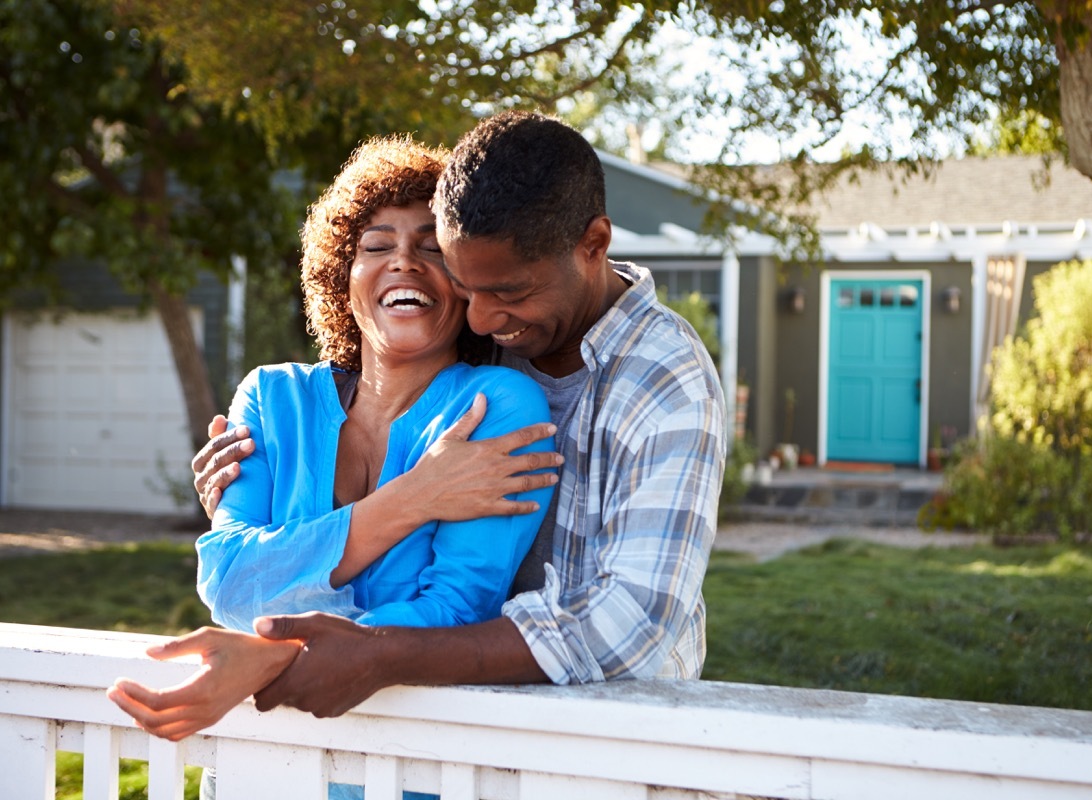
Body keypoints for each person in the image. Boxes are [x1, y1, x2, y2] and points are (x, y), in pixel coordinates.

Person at [159, 111, 726, 719]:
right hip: (440, 727)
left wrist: (342, 650)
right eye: (468, 285)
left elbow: (627, 624)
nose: (483, 319)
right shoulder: (287, 395)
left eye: (506, 292)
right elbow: (227, 576)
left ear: (594, 246)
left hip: (605, 736)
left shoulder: (661, 382)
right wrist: (416, 496)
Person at [106, 134, 558, 744]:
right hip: (261, 763)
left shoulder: (498, 407)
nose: (403, 261)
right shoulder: (273, 397)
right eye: (376, 246)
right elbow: (228, 583)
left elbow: (457, 611)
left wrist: (274, 652)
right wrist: (417, 497)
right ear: (341, 278)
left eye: (433, 249)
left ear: (466, 283)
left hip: (405, 762)